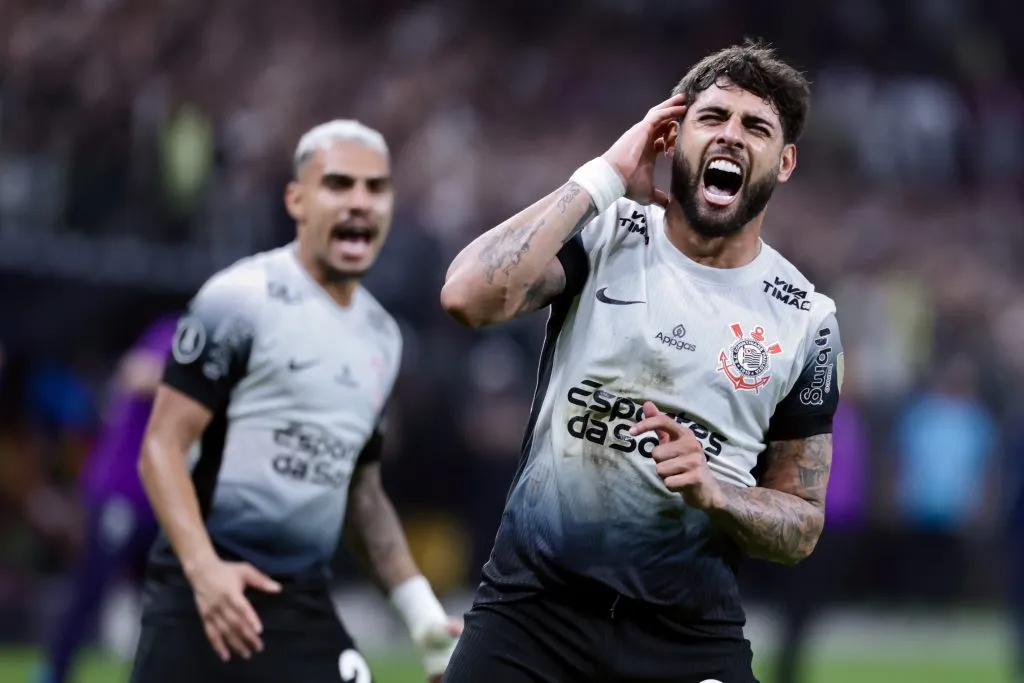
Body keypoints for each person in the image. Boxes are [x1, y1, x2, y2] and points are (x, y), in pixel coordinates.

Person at [439, 40, 842, 683]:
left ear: (785, 161)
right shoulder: (604, 236)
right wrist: (602, 174)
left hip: (687, 639)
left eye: (756, 126)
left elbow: (801, 526)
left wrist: (719, 493)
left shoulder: (806, 320)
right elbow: (466, 295)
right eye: (712, 118)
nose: (732, 136)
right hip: (531, 616)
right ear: (671, 134)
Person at [128, 120, 461, 683]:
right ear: (297, 200)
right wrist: (205, 572)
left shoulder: (383, 335)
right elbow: (161, 446)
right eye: (338, 184)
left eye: (375, 188)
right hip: (206, 599)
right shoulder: (238, 300)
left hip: (303, 606)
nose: (360, 202)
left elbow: (361, 487)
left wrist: (421, 612)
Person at [35, 314, 178, 683]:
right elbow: (135, 374)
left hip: (164, 500)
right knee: (91, 590)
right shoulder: (181, 330)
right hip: (123, 492)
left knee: (166, 601)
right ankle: (54, 671)